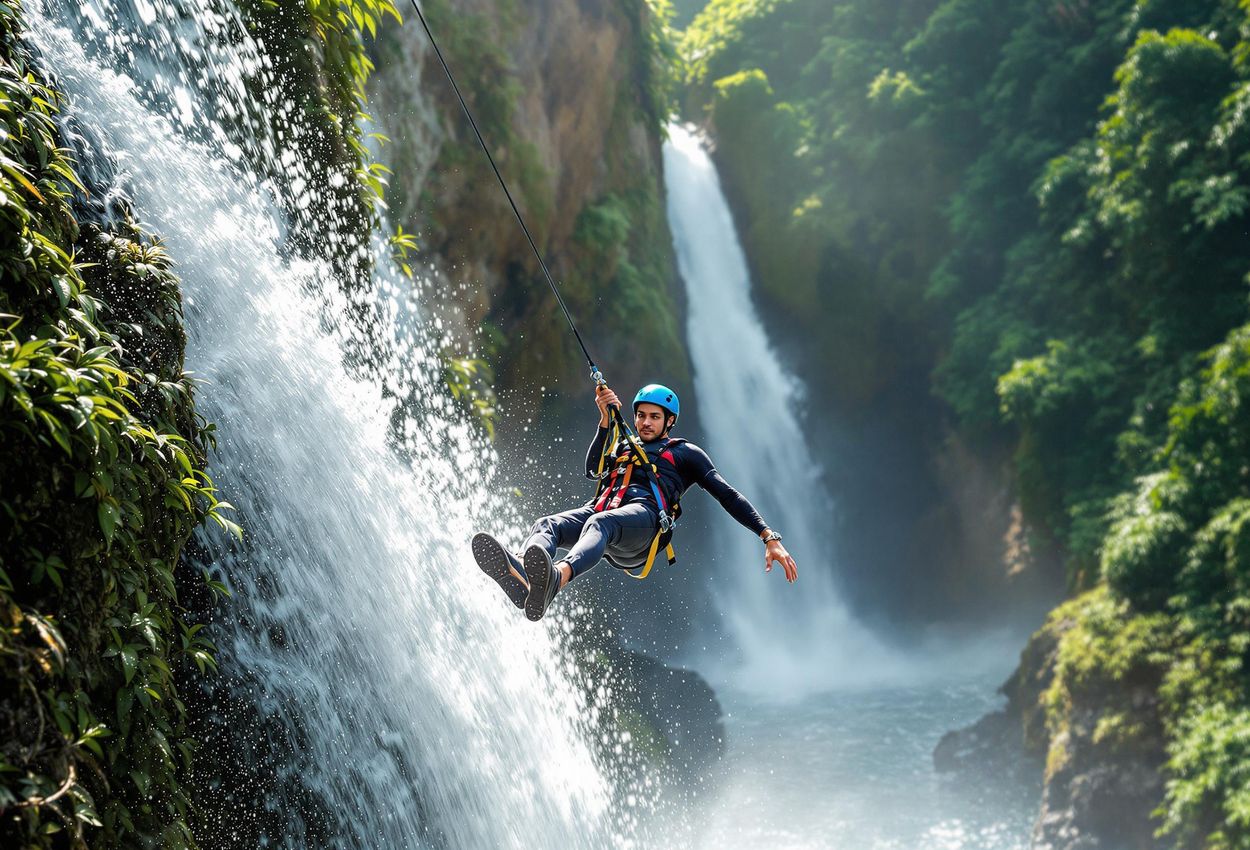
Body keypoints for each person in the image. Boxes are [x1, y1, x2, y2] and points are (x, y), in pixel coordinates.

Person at [471, 383, 798, 621]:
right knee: (546, 524)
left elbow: (728, 494)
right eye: (640, 415)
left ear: (669, 421)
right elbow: (591, 470)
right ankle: (524, 577)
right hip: (602, 511)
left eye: (654, 417)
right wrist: (604, 420)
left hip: (644, 524)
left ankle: (557, 577)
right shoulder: (622, 445)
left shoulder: (685, 453)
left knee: (601, 522)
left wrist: (769, 537)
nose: (645, 422)